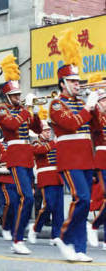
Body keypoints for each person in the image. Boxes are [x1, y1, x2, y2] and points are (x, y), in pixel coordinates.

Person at [49, 30, 97, 262]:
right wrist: (89, 108)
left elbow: (95, 127)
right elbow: (70, 124)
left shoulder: (82, 103)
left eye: (78, 81)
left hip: (86, 158)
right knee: (82, 199)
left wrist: (99, 107)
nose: (78, 85)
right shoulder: (56, 105)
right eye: (73, 81)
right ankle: (64, 237)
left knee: (85, 203)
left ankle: (79, 249)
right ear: (63, 83)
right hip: (69, 158)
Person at [0, 54, 42, 254]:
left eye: (19, 94)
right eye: (14, 95)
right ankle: (17, 239)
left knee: (28, 197)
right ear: (7, 96)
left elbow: (38, 129)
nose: (18, 98)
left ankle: (18, 235)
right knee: (27, 198)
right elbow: (12, 125)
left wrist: (36, 111)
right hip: (15, 155)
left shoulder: (23, 110)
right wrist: (27, 109)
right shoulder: (2, 110)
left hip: (27, 156)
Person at [28, 120, 64, 245]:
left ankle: (56, 236)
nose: (48, 133)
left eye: (49, 130)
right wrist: (55, 142)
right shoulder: (35, 143)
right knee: (49, 205)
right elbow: (40, 151)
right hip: (45, 177)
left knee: (59, 209)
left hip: (58, 177)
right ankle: (35, 228)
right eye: (45, 131)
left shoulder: (54, 143)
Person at [86, 87, 106, 249]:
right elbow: (96, 127)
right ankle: (94, 225)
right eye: (104, 100)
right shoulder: (96, 116)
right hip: (102, 159)